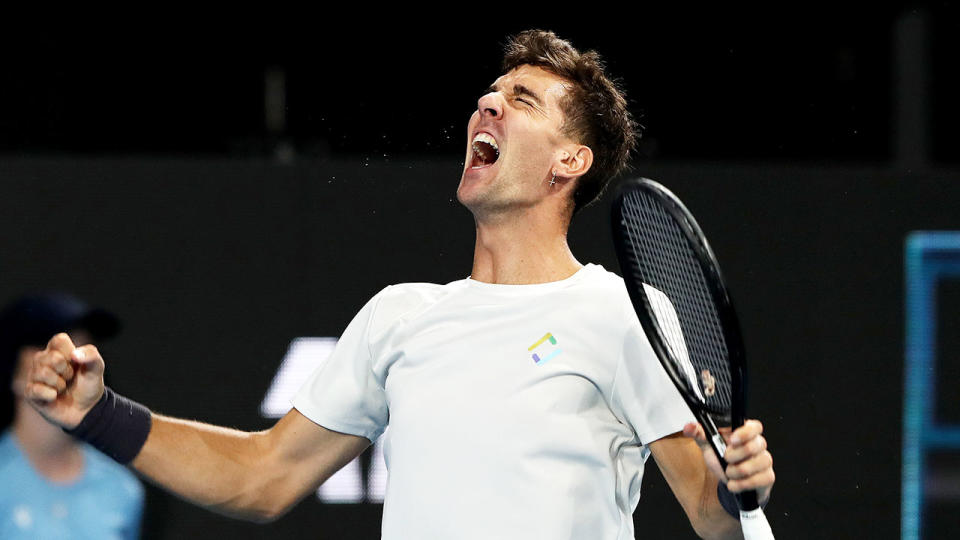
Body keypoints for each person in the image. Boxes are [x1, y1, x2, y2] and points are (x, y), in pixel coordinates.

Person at [25, 30, 774, 539]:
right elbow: (264, 476)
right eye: (489, 94)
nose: (487, 105)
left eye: (521, 100)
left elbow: (708, 512)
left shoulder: (619, 311)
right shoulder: (401, 318)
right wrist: (97, 416)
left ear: (569, 162)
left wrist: (737, 484)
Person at [0, 292, 144, 539]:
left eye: (84, 350)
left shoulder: (122, 489)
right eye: (53, 350)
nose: (75, 366)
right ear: (14, 366)